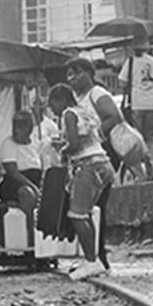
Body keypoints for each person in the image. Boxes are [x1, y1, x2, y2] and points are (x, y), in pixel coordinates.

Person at [49, 79, 114, 268]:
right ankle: (93, 259)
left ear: (61, 100)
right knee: (85, 214)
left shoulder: (68, 114)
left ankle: (91, 261)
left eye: (52, 104)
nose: (52, 109)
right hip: (103, 163)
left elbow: (75, 145)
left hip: (88, 165)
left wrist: (62, 152)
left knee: (77, 215)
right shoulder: (84, 111)